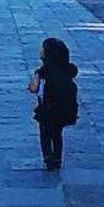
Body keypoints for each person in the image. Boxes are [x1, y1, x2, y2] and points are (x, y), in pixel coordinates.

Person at [27, 37, 79, 171]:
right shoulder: (67, 70)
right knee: (57, 134)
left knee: (45, 134)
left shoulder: (43, 72)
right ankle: (57, 158)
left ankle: (48, 157)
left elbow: (34, 88)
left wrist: (33, 80)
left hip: (47, 109)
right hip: (63, 109)